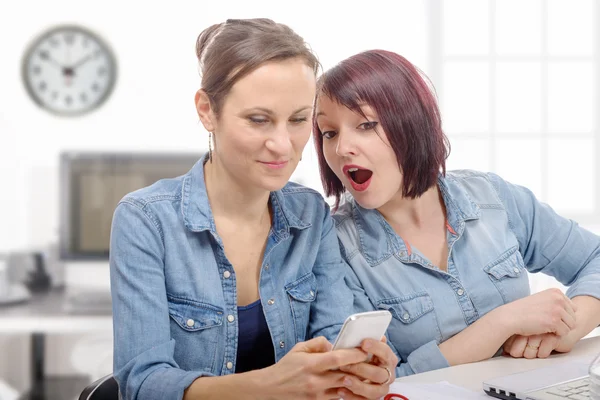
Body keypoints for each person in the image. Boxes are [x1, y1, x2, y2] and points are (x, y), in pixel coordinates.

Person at [110, 20, 397, 400]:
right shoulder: (145, 220)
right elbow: (141, 383)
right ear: (207, 111)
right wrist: (271, 385)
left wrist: (360, 369)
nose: (283, 145)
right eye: (258, 120)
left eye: (297, 120)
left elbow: (333, 336)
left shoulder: (310, 214)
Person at [312, 49, 600, 377]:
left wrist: (570, 326)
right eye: (329, 132)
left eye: (365, 125)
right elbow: (373, 383)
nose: (340, 148)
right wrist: (501, 323)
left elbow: (595, 257)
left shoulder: (491, 197)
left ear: (411, 122)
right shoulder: (334, 248)